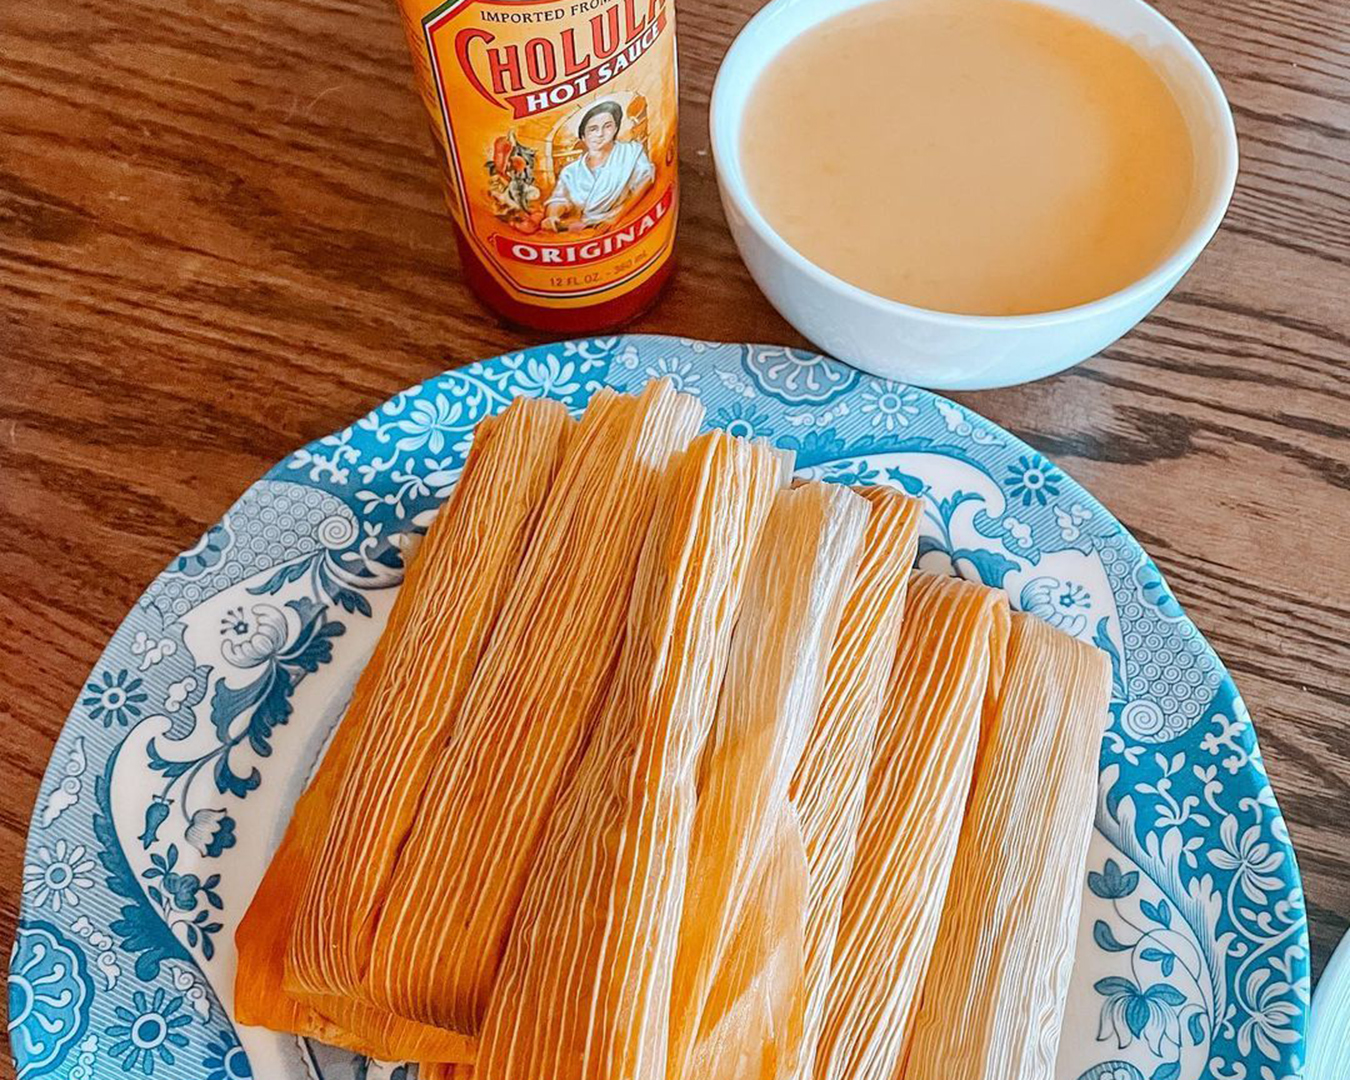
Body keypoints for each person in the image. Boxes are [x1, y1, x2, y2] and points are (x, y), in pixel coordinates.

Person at [545, 101, 656, 231]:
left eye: (607, 127)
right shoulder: (570, 171)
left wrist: (617, 216)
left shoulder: (631, 152)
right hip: (584, 228)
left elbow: (645, 180)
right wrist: (553, 216)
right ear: (583, 136)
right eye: (593, 129)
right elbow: (560, 199)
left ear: (615, 129)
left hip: (624, 222)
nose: (600, 134)